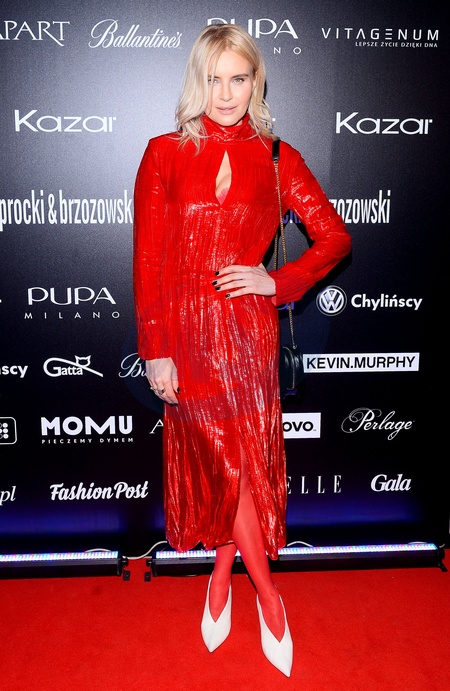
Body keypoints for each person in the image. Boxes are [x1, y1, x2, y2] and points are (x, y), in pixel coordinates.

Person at [133, 24, 352, 677]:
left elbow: (334, 238)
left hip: (248, 335)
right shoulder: (163, 154)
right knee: (225, 462)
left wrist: (276, 282)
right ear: (197, 80)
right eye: (214, 78)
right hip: (187, 338)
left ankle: (230, 575)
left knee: (242, 466)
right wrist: (156, 349)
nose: (226, 93)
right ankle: (266, 591)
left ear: (256, 81)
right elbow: (148, 261)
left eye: (239, 78)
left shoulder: (279, 158)